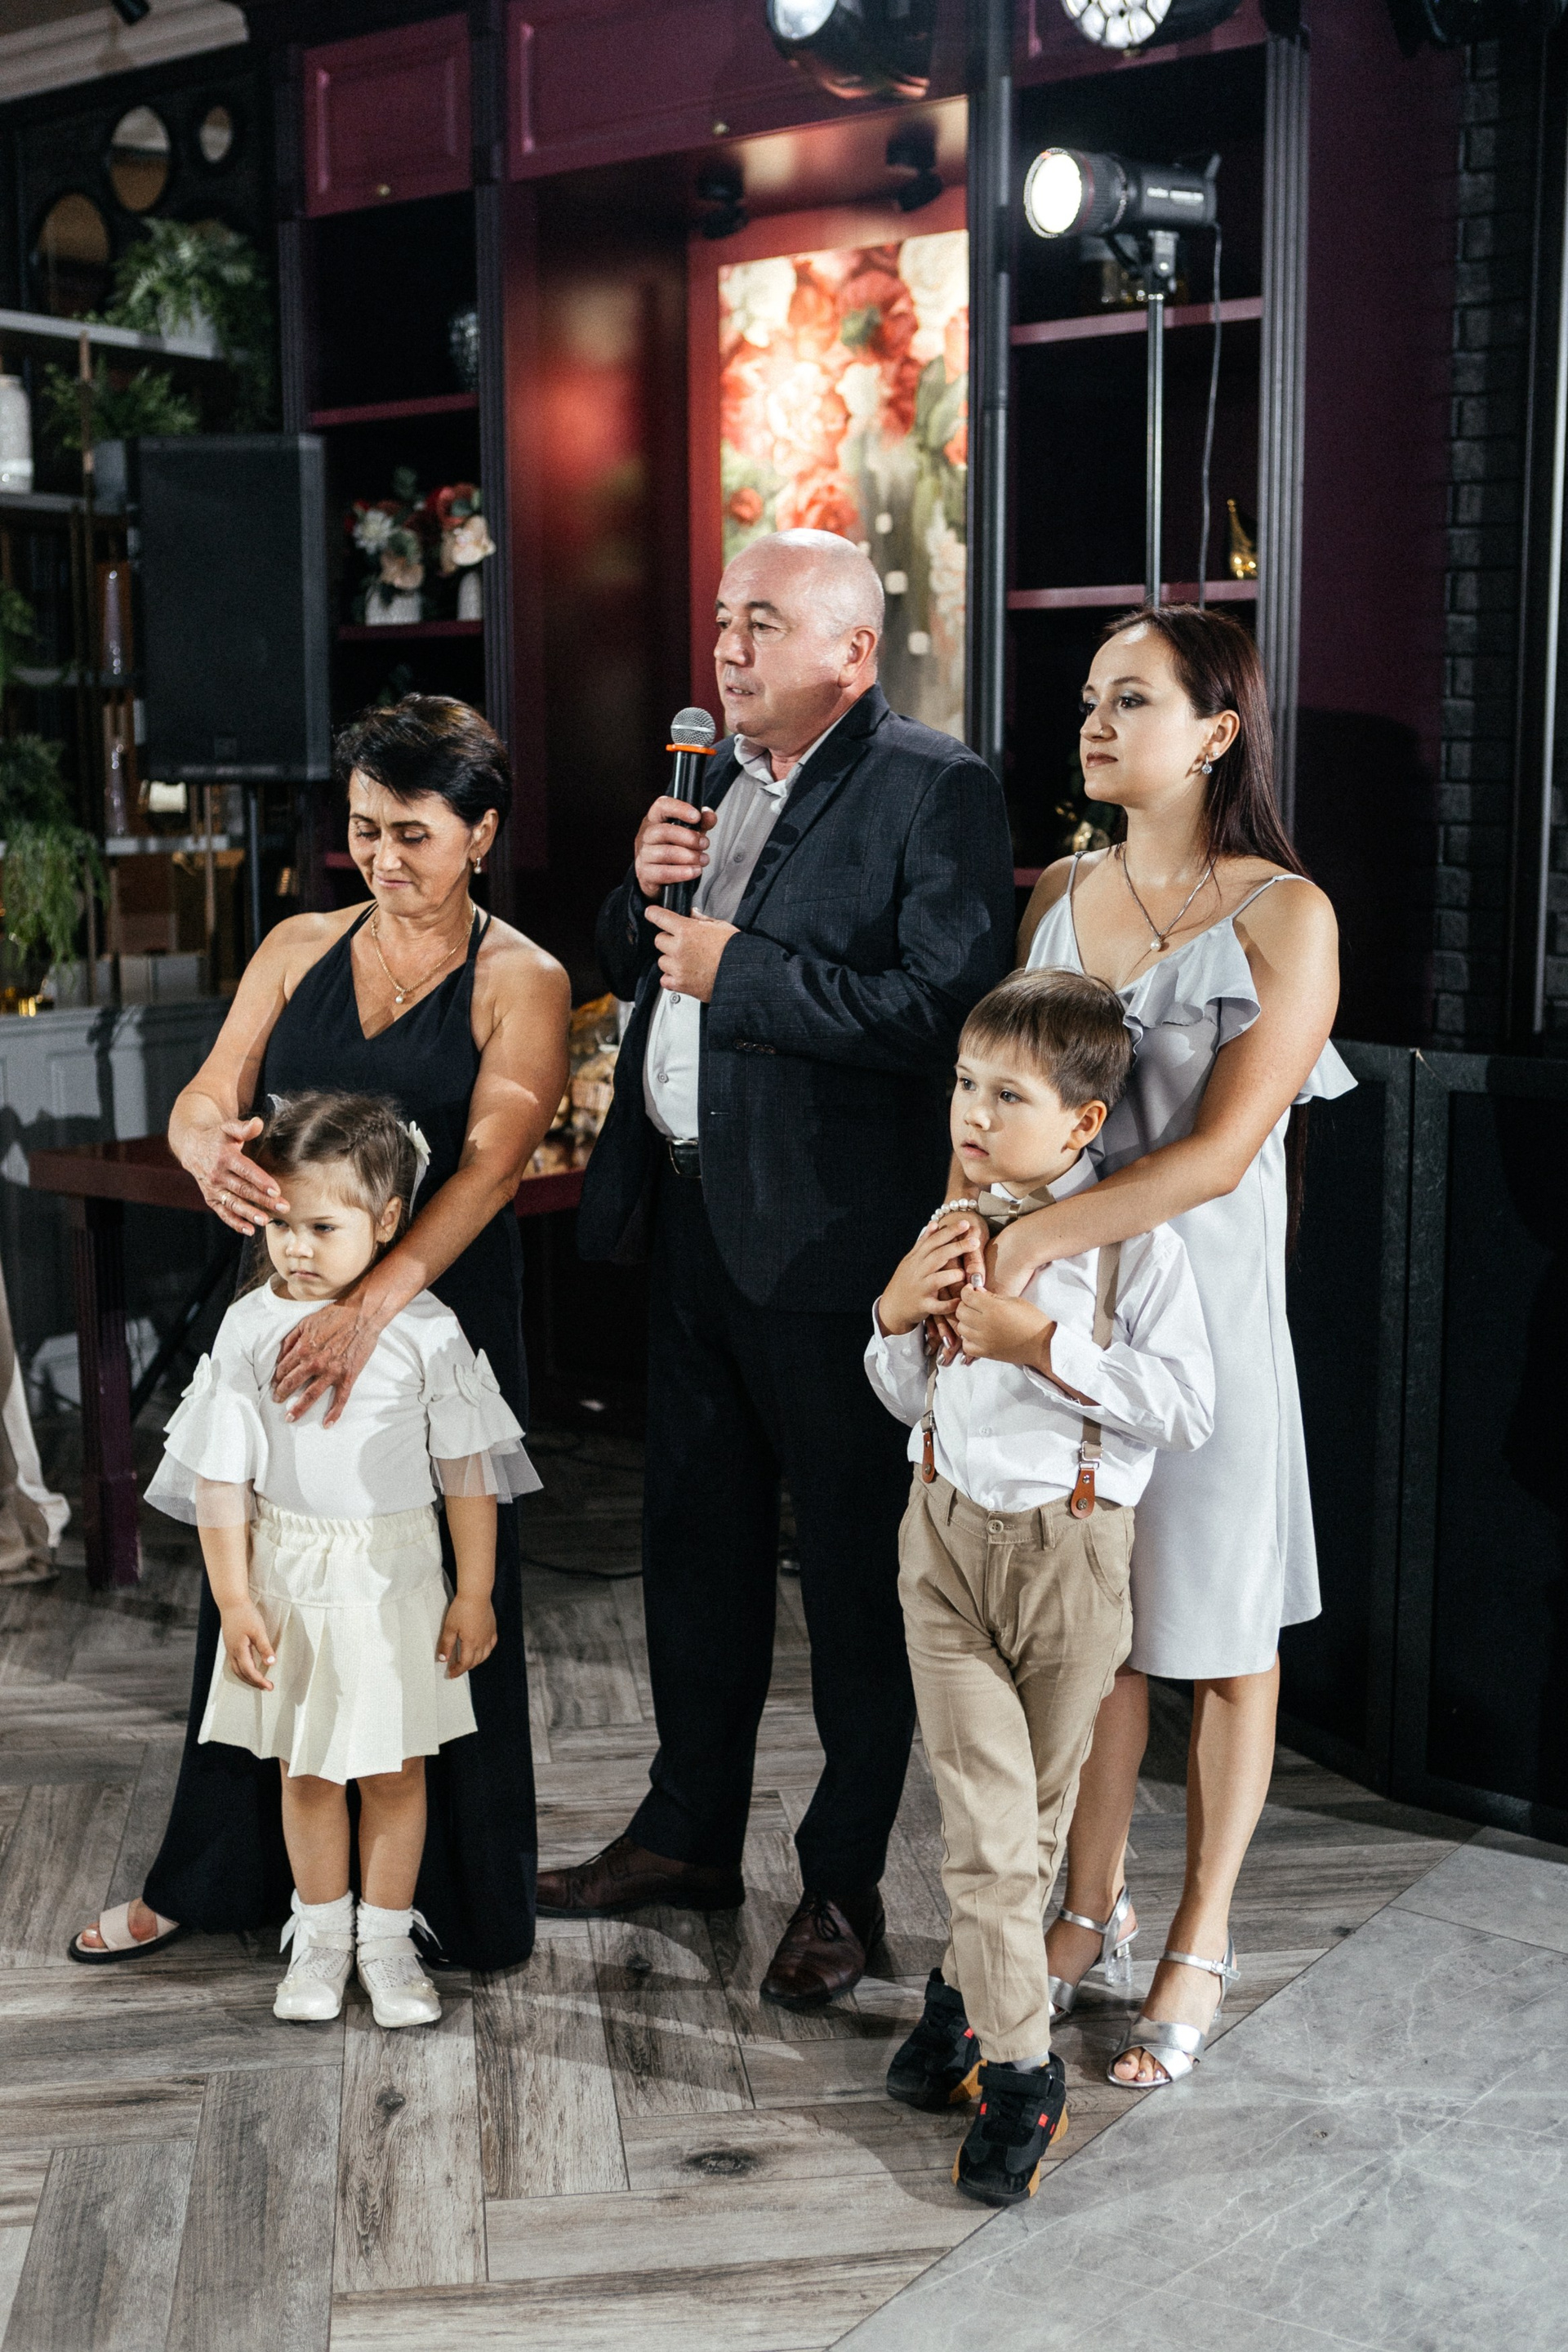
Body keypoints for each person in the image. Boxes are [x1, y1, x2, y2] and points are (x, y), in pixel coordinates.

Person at [546, 528, 1016, 2006]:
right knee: (695, 1548)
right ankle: (686, 1835)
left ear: (852, 651)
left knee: (858, 1584)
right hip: (691, 1222)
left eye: (762, 621)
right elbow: (647, 964)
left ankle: (842, 1885)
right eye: (721, 618)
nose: (728, 647)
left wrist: (737, 968)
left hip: (831, 1251)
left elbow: (943, 1010)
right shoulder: (712, 783)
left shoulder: (933, 786)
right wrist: (637, 890)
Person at [69, 695, 570, 1971]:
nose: (382, 859)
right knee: (262, 1592)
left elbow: (491, 1167)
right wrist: (204, 1147)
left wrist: (370, 1307)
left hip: (435, 1322)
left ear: (481, 834)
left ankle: (447, 1900)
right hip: (289, 1317)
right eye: (364, 829)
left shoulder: (522, 979)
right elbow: (206, 1093)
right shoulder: (298, 943)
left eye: (412, 833)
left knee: (439, 1602)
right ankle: (214, 1880)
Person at [938, 605, 1349, 2087]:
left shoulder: (1287, 914)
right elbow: (1001, 1104)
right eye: (1089, 700)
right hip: (1056, 1314)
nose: (1095, 725)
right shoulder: (1059, 891)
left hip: (1206, 1316)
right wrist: (967, 1253)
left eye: (1132, 700)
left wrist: (1030, 1244)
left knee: (1223, 1636)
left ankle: (1201, 1935)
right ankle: (1087, 1907)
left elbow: (1224, 1154)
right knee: (1094, 1627)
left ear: (1219, 731)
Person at [867, 969, 1214, 2204]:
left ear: (1082, 1122)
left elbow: (1188, 1408)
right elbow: (907, 1396)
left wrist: (1046, 1347)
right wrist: (892, 1316)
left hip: (1070, 1560)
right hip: (944, 1550)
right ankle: (1022, 2074)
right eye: (965, 1084)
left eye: (1007, 1095)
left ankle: (959, 2000)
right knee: (987, 1828)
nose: (973, 1112)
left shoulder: (1136, 1247)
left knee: (1032, 1819)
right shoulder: (946, 1224)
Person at [142, 1093, 535, 2025]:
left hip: (397, 1582)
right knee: (307, 1772)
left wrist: (475, 1591)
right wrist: (235, 1601)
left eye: (323, 1227)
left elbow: (467, 1476)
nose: (297, 1249)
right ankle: (319, 1935)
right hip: (290, 1581)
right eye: (281, 1225)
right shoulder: (248, 1328)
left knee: (397, 1773)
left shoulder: (427, 1330)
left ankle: (387, 1941)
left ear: (387, 1222)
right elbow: (222, 1484)